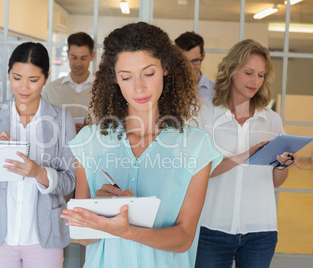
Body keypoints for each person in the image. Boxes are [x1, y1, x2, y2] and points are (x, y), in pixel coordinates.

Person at [60, 22, 223, 268]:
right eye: (126, 77)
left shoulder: (196, 146)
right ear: (114, 78)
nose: (139, 87)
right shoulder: (90, 142)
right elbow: (83, 238)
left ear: (166, 69)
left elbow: (184, 239)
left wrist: (128, 230)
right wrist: (102, 210)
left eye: (148, 73)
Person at [194, 39, 299, 268]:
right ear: (231, 70)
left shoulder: (271, 120)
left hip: (261, 230)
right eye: (249, 72)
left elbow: (276, 181)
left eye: (261, 75)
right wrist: (245, 155)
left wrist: (283, 165)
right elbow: (197, 172)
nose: (255, 81)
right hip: (211, 228)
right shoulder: (205, 114)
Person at [0, 42, 76, 268]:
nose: (24, 88)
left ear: (46, 77)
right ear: (8, 74)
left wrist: (38, 172)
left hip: (44, 237)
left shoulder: (62, 119)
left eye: (33, 80)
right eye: (16, 78)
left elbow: (68, 182)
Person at [43, 32, 95, 133]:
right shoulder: (50, 89)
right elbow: (42, 124)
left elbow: (114, 125)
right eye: (74, 57)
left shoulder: (104, 89)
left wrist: (93, 129)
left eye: (83, 58)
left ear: (92, 56)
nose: (78, 63)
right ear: (67, 54)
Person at [175, 31, 215, 101]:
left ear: (203, 56)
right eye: (184, 62)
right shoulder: (168, 89)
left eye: (195, 61)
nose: (190, 67)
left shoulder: (215, 91)